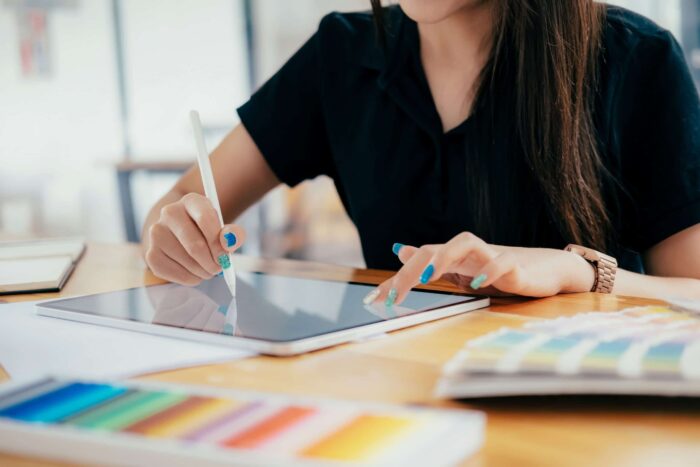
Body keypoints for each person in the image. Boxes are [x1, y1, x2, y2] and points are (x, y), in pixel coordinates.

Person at [141, 0, 700, 307]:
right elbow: (181, 201)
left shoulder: (636, 59)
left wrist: (575, 272)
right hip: (399, 400)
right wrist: (173, 234)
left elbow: (693, 295)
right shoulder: (340, 54)